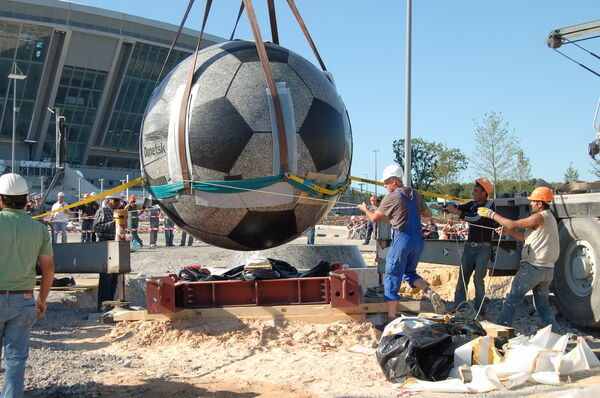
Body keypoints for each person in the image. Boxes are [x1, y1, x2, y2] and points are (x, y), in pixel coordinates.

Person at [357, 164, 445, 321]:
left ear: (394, 181)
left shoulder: (392, 197)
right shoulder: (415, 194)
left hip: (401, 239)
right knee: (409, 273)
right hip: (417, 240)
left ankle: (391, 318)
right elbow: (428, 213)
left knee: (392, 275)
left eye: (386, 182)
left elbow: (375, 218)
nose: (384, 186)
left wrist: (364, 209)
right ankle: (428, 290)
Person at [0, 173, 54, 397]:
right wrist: (42, 299)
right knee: (16, 359)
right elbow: (48, 269)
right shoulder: (39, 229)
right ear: (26, 200)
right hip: (23, 300)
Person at [477, 187, 560, 332]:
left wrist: (492, 214)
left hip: (533, 267)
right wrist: (508, 233)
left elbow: (513, 224)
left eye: (533, 201)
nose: (531, 204)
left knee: (511, 299)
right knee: (542, 305)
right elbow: (524, 237)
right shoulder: (549, 218)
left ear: (540, 203)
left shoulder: (539, 217)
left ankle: (501, 331)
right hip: (548, 270)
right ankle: (556, 335)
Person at [431, 178, 496, 316]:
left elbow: (475, 219)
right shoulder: (472, 204)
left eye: (475, 191)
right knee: (462, 278)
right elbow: (458, 207)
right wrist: (444, 208)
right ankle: (459, 307)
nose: (472, 193)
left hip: (483, 248)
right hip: (469, 247)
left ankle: (480, 310)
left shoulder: (490, 205)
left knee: (478, 279)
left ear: (484, 193)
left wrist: (457, 212)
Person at [93, 192, 121, 311]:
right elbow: (97, 227)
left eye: (119, 201)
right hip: (105, 245)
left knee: (114, 277)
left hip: (114, 245)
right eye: (116, 201)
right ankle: (102, 305)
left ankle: (110, 304)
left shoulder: (116, 212)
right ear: (109, 200)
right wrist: (112, 224)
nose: (118, 203)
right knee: (106, 278)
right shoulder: (103, 211)